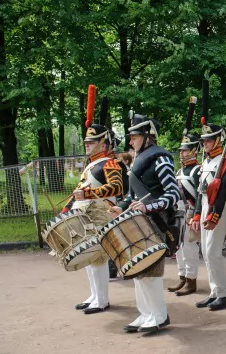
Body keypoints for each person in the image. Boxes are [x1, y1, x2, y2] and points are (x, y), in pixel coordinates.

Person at [111, 113, 179, 333]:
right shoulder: (139, 159)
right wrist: (120, 207)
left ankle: (159, 315)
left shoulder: (161, 158)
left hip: (158, 221)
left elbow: (172, 194)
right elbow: (133, 197)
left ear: (148, 136)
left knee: (150, 270)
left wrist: (148, 208)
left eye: (134, 136)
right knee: (139, 270)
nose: (130, 141)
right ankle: (146, 312)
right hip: (140, 221)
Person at [66, 95, 123, 315]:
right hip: (86, 216)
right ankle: (94, 296)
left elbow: (117, 188)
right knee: (89, 257)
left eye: (91, 142)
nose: (87, 145)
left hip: (101, 215)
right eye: (86, 142)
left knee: (98, 258)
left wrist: (89, 193)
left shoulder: (110, 163)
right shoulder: (90, 166)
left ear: (104, 143)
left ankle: (102, 299)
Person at [193, 78, 226, 311]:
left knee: (212, 251)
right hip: (207, 207)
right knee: (205, 252)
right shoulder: (206, 161)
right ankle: (215, 290)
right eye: (204, 140)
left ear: (218, 139)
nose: (206, 144)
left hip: (220, 208)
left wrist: (216, 214)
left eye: (209, 140)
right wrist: (199, 213)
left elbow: (225, 190)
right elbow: (201, 190)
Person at [167, 131, 201, 296]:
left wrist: (195, 214)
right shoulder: (179, 172)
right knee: (179, 249)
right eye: (181, 150)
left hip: (190, 212)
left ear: (195, 150)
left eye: (185, 150)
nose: (182, 153)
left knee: (189, 249)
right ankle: (182, 276)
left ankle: (191, 279)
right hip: (179, 213)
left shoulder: (197, 171)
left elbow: (199, 195)